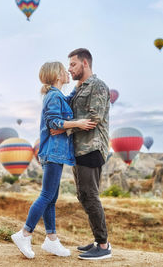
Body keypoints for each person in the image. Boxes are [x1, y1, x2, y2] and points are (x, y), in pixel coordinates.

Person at [11, 61, 97, 259]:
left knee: (52, 197)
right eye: (63, 70)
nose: (67, 72)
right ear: (57, 75)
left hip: (55, 152)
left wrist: (79, 85)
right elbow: (53, 122)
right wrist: (78, 123)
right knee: (46, 195)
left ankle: (51, 240)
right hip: (53, 151)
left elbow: (65, 103)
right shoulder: (52, 96)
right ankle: (25, 233)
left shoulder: (57, 95)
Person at [51, 49, 112, 260]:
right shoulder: (78, 89)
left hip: (92, 148)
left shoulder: (98, 86)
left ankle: (103, 246)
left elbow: (94, 118)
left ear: (85, 63)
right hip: (78, 148)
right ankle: (98, 239)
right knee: (83, 195)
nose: (70, 69)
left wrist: (65, 128)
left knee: (90, 195)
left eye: (73, 64)